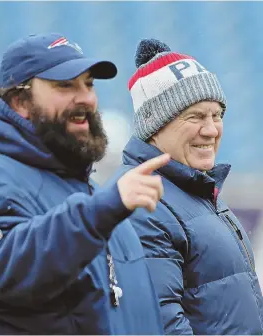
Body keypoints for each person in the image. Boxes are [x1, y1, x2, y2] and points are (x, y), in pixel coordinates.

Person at [0, 33, 169, 335]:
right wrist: (101, 212)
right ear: (20, 101)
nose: (86, 97)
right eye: (65, 85)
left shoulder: (89, 192)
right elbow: (7, 270)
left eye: (89, 84)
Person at [108, 38, 263, 334]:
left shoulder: (193, 190)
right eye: (195, 117)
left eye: (217, 115)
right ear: (154, 126)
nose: (211, 129)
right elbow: (158, 325)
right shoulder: (142, 200)